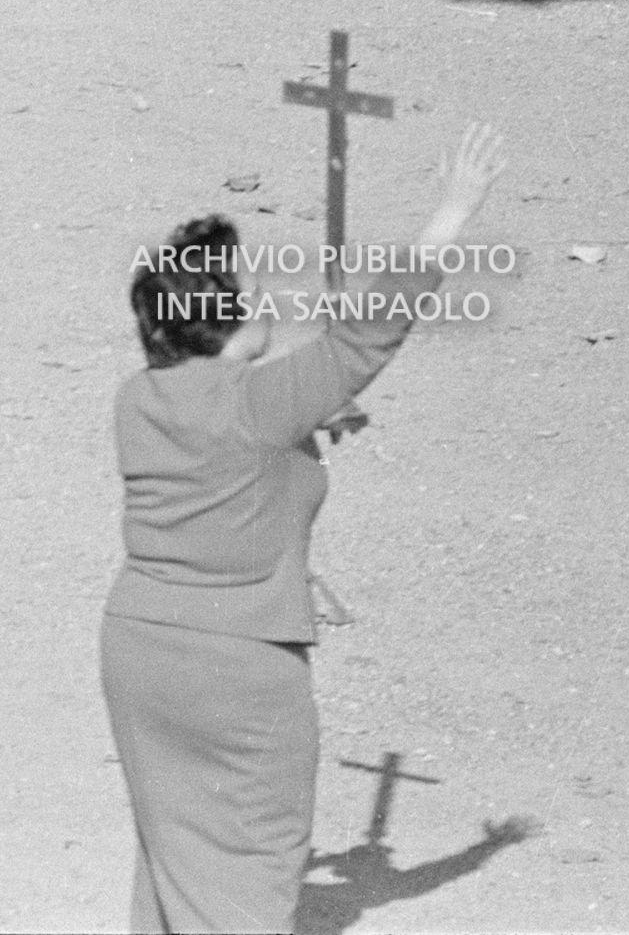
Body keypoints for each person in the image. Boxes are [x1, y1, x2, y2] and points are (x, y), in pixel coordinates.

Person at [100, 124, 507, 932]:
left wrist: (305, 428)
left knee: (174, 850)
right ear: (223, 319)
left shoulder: (138, 399)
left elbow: (224, 466)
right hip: (238, 662)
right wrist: (452, 211)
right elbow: (366, 334)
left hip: (139, 650)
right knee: (256, 852)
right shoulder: (262, 402)